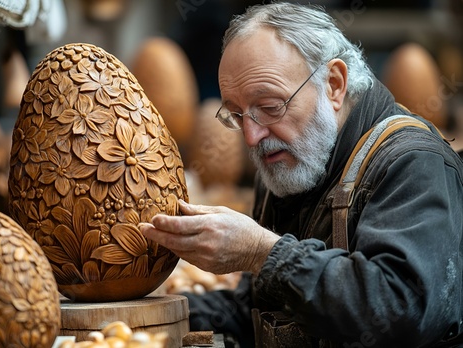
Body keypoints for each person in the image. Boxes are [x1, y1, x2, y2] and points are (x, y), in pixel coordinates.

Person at [140, 2, 463, 347]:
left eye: (269, 107)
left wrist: (262, 252)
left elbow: (400, 310)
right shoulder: (287, 163)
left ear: (335, 85)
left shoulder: (412, 162)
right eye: (236, 115)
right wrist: (146, 319)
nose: (252, 137)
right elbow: (263, 309)